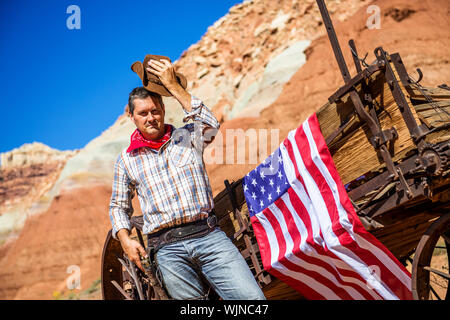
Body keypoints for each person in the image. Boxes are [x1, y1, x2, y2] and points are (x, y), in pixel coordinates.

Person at [109, 56, 266, 300]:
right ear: (131, 116)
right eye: (143, 113)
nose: (151, 117)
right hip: (167, 250)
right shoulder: (126, 160)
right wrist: (125, 240)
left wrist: (173, 87)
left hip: (209, 237)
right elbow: (118, 207)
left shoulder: (188, 137)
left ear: (163, 110)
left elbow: (210, 124)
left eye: (155, 110)